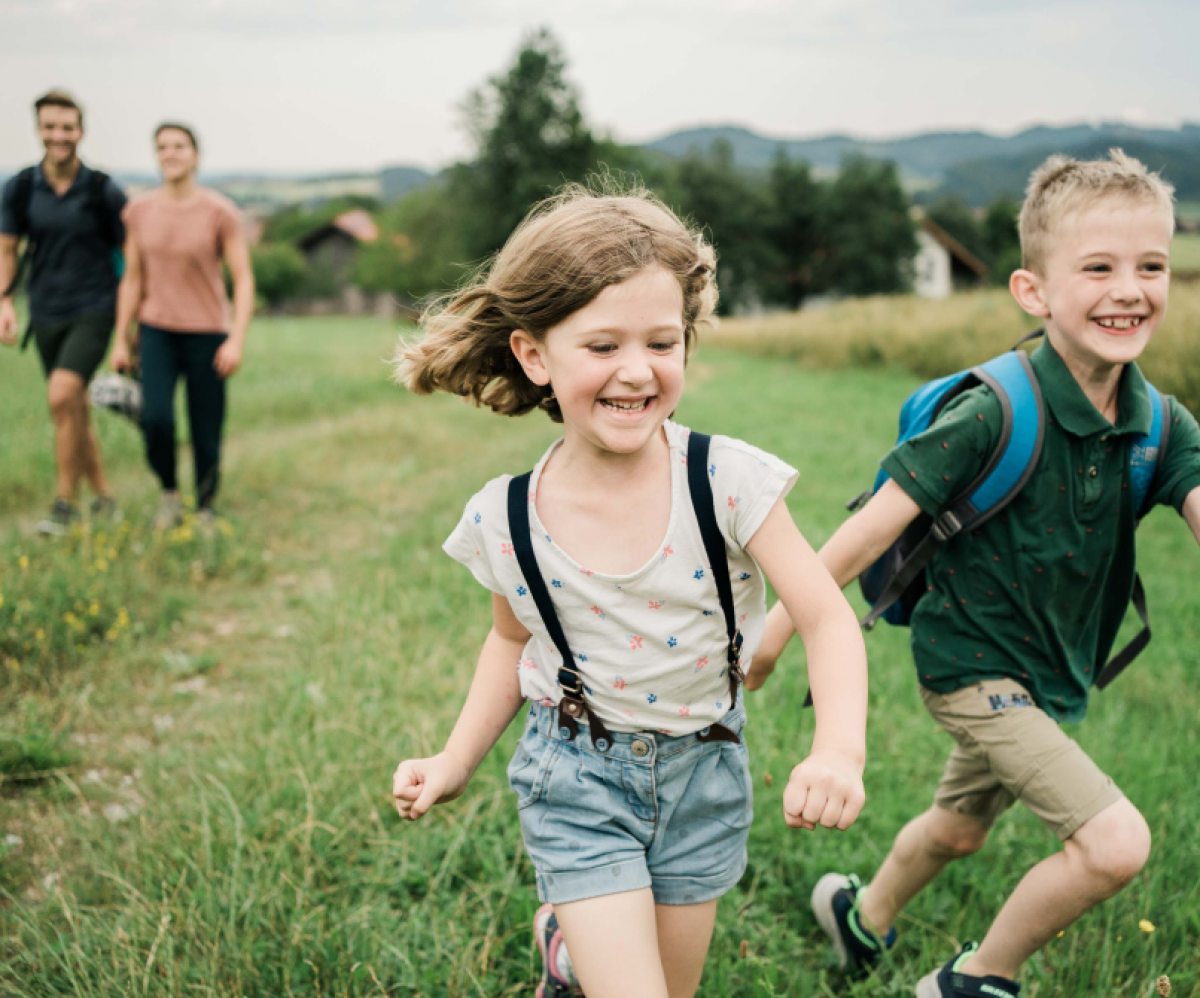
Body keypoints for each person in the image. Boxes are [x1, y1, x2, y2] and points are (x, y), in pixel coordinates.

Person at [390, 185, 869, 998]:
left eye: (661, 341)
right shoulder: (506, 515)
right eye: (603, 345)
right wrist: (455, 757)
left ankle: (569, 956)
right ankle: (583, 946)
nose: (638, 371)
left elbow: (825, 618)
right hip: (576, 778)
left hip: (704, 776)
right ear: (534, 355)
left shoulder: (725, 480)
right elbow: (512, 643)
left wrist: (839, 750)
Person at [748, 150, 1200, 997]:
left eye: (1152, 266)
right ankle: (974, 979)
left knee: (957, 832)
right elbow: (859, 536)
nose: (1130, 288)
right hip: (970, 666)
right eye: (1098, 267)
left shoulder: (1162, 424)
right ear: (1034, 291)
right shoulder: (991, 409)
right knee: (1114, 844)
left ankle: (859, 916)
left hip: (1049, 675)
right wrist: (773, 638)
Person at [111, 122, 254, 528]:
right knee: (156, 418)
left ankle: (206, 506)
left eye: (179, 146)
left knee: (205, 425)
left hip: (208, 333)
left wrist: (236, 340)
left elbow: (243, 279)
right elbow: (133, 277)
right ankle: (170, 494)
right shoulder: (138, 211)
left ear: (195, 155)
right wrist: (120, 339)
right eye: (162, 147)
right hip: (155, 330)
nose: (170, 153)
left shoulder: (219, 211)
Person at [0, 89, 126, 534]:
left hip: (94, 307)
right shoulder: (19, 188)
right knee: (73, 409)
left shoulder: (101, 189)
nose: (59, 135)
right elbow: (8, 250)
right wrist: (4, 301)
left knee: (60, 396)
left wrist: (128, 325)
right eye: (50, 126)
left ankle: (64, 505)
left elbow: (131, 257)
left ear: (81, 131)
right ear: (38, 130)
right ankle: (106, 497)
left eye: (67, 127)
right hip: (46, 310)